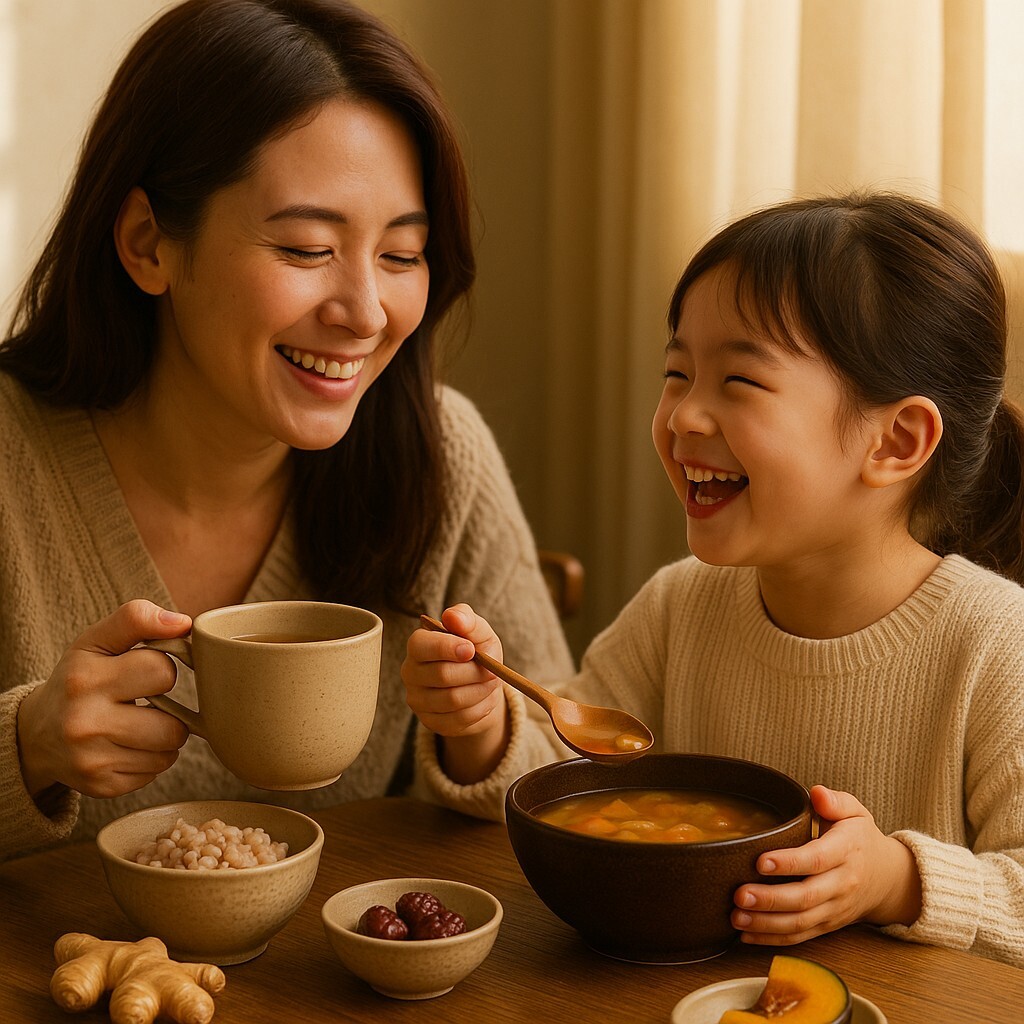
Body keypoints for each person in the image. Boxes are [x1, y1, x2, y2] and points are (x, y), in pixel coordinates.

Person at [0, 0, 572, 863]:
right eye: (307, 249)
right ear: (149, 243)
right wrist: (26, 746)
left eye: (402, 255)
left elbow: (571, 774)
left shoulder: (438, 455)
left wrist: (485, 738)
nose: (366, 313)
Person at [403, 192, 1024, 965]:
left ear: (897, 441)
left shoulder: (998, 644)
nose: (683, 417)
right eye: (677, 372)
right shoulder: (680, 605)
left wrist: (894, 879)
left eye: (740, 383)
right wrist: (481, 727)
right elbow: (562, 791)